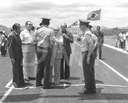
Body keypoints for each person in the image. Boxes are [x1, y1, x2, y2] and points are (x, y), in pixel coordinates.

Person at [77, 19, 96, 94]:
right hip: (88, 53)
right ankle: (92, 88)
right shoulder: (88, 33)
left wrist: (88, 56)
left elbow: (91, 44)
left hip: (87, 53)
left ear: (84, 25)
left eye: (80, 25)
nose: (79, 26)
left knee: (87, 72)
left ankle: (86, 89)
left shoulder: (87, 33)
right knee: (90, 72)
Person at [35, 18, 54, 89]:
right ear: (49, 23)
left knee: (39, 66)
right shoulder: (50, 31)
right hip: (46, 48)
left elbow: (35, 40)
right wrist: (51, 45)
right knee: (47, 67)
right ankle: (46, 84)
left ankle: (38, 82)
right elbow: (51, 41)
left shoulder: (38, 30)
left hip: (39, 48)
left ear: (42, 23)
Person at [7, 23, 25, 88]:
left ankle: (20, 81)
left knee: (20, 69)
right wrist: (12, 57)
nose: (20, 29)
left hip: (19, 55)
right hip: (15, 56)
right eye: (19, 28)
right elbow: (10, 47)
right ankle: (16, 83)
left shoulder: (17, 35)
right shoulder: (12, 35)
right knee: (15, 69)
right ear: (15, 28)